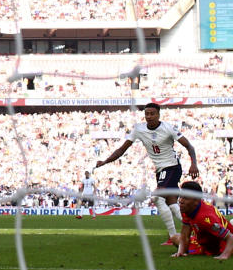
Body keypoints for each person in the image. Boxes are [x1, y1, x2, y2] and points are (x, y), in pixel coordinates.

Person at [95, 102, 198, 246]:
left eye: (152, 114)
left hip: (172, 167)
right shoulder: (139, 129)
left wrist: (194, 164)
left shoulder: (168, 128)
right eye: (147, 114)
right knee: (172, 203)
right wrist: (105, 161)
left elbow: (189, 146)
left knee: (156, 197)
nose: (149, 117)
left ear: (158, 115)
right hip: (160, 170)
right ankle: (195, 227)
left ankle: (174, 235)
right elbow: (121, 150)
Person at [171, 181, 233, 260]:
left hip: (221, 244)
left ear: (196, 200)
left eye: (185, 198)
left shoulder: (206, 218)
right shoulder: (187, 209)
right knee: (174, 238)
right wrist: (181, 251)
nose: (180, 201)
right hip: (204, 242)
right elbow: (185, 235)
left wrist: (225, 255)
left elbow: (230, 237)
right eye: (180, 197)